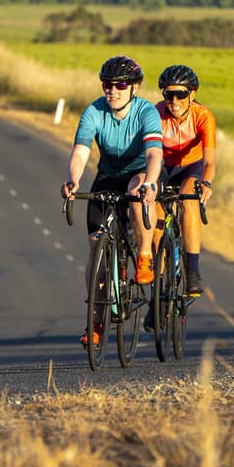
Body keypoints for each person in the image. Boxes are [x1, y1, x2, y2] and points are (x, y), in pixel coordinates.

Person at [60, 54, 163, 344]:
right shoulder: (93, 111)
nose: (113, 90)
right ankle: (94, 322)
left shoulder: (146, 112)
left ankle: (144, 254)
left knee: (136, 190)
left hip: (141, 172)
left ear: (135, 87)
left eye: (120, 84)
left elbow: (155, 152)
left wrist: (152, 182)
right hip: (107, 174)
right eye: (107, 84)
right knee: (96, 252)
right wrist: (73, 179)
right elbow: (81, 151)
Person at [152, 63, 216, 297]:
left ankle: (192, 271)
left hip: (192, 166)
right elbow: (148, 152)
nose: (175, 101)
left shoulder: (204, 117)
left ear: (192, 95)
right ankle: (157, 293)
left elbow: (209, 163)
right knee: (157, 223)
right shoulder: (156, 113)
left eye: (181, 94)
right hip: (163, 166)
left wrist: (206, 184)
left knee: (188, 200)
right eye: (169, 94)